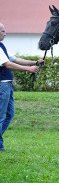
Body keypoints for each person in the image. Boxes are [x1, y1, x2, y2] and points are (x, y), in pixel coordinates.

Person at [0, 23, 44, 152]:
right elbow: (8, 64)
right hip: (2, 85)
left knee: (9, 114)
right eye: (2, 31)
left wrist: (35, 62)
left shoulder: (2, 46)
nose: (5, 33)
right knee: (1, 116)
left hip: (7, 85)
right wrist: (28, 69)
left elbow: (15, 59)